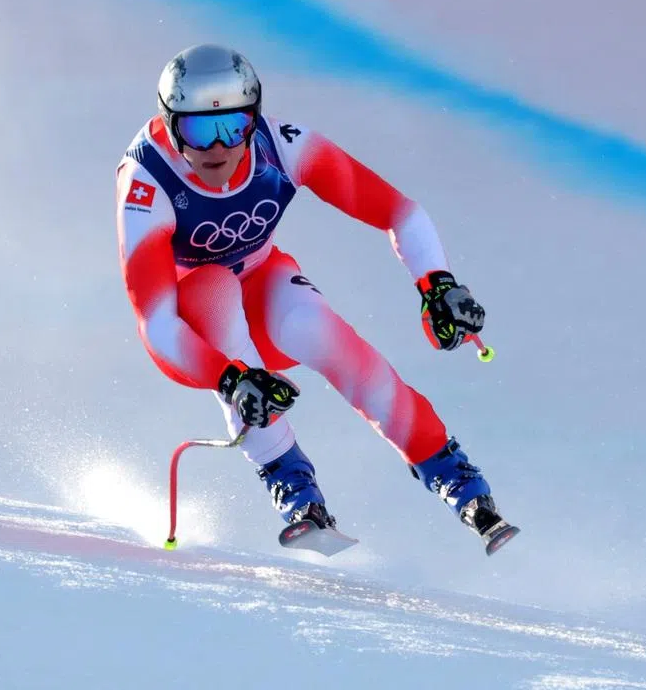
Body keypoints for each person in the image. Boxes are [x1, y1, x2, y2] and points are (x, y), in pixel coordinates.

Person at [115, 43, 518, 554]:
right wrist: (229, 376)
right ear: (170, 124)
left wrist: (436, 283)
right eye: (198, 130)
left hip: (261, 284)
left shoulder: (284, 146)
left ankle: (453, 474)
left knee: (319, 331)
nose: (217, 148)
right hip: (191, 331)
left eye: (232, 128)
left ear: (253, 121)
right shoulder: (147, 180)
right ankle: (292, 485)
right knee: (212, 287)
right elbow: (155, 321)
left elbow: (400, 212)